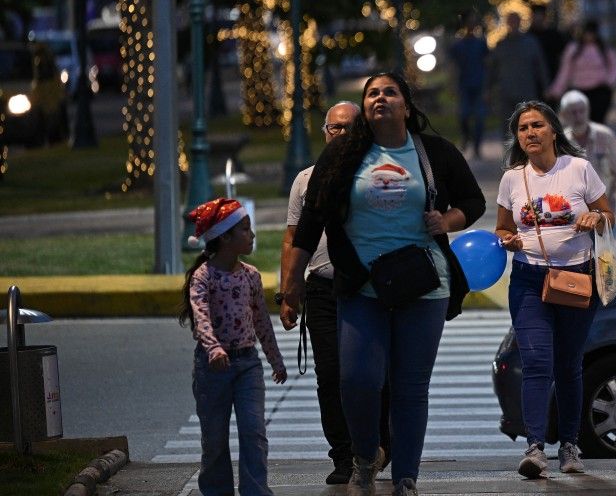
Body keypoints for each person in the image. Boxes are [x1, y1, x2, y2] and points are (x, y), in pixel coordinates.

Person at [282, 72, 486, 496]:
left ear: (405, 106)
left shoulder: (433, 152)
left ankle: (405, 477)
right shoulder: (343, 154)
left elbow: (474, 201)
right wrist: (292, 282)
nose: (380, 98)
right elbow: (310, 222)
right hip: (361, 284)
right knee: (357, 379)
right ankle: (364, 457)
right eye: (372, 93)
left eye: (390, 92)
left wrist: (446, 220)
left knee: (410, 387)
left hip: (423, 283)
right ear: (365, 107)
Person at [493, 101, 614, 479]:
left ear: (553, 131)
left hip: (577, 279)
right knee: (536, 361)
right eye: (523, 128)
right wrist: (508, 240)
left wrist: (596, 217)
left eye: (537, 126)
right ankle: (534, 448)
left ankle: (570, 445)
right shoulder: (513, 178)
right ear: (517, 137)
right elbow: (502, 227)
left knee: (568, 365)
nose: (530, 133)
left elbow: (608, 214)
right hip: (529, 280)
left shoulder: (578, 169)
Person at [278, 101, 388, 485]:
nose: (340, 134)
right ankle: (344, 456)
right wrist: (288, 291)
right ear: (324, 132)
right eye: (334, 128)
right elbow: (292, 237)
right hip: (322, 288)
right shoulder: (306, 180)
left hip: (368, 288)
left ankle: (376, 445)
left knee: (372, 373)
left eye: (348, 127)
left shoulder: (378, 175)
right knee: (330, 374)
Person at [180, 197, 286, 496]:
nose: (252, 235)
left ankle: (256, 491)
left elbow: (262, 321)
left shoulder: (251, 275)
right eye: (245, 229)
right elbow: (201, 317)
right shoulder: (203, 277)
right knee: (214, 439)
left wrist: (275, 360)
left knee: (254, 432)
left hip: (248, 365)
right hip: (213, 368)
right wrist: (214, 348)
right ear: (224, 237)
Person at [559, 89, 616, 255]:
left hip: (605, 212)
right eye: (573, 112)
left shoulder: (604, 136)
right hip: (574, 216)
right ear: (564, 115)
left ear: (588, 111)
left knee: (605, 260)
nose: (578, 116)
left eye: (581, 111)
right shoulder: (560, 142)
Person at [547, 20, 616, 123]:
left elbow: (615, 67)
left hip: (599, 90)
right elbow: (565, 71)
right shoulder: (573, 49)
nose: (589, 36)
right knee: (580, 121)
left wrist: (609, 82)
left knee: (598, 120)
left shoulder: (604, 50)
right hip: (579, 89)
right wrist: (556, 90)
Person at [490, 12, 549, 125]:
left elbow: (540, 66)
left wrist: (545, 86)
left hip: (526, 91)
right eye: (511, 21)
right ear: (507, 23)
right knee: (508, 124)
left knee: (528, 122)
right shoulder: (501, 45)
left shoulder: (531, 43)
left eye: (515, 21)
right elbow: (492, 69)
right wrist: (488, 89)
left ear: (519, 22)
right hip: (506, 92)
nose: (513, 24)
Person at [448, 14, 489, 159]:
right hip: (464, 85)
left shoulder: (481, 44)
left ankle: (477, 147)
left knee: (479, 117)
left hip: (479, 84)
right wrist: (453, 84)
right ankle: (466, 137)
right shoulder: (458, 45)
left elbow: (487, 64)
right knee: (463, 115)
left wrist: (487, 87)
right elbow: (453, 66)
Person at [527, 3, 569, 84]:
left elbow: (562, 57)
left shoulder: (554, 36)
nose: (538, 19)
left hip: (552, 77)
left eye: (540, 15)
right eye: (536, 15)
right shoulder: (527, 37)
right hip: (531, 80)